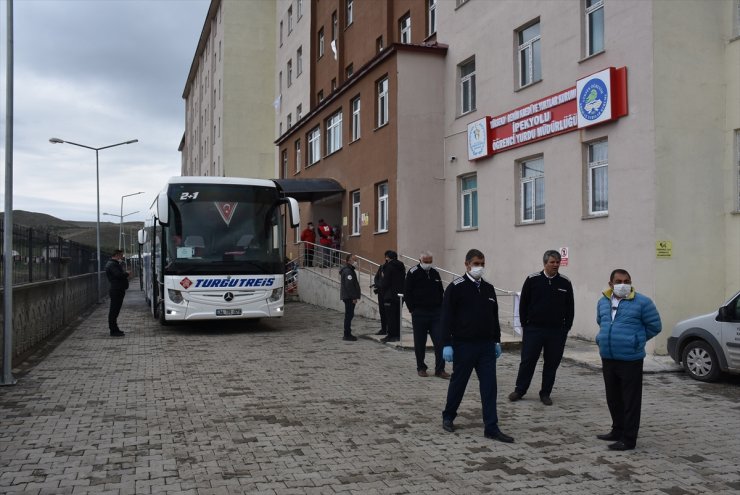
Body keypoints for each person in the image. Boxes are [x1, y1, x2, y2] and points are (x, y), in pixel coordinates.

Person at [440, 249, 513, 443]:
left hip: (486, 347)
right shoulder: (456, 288)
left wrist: (497, 340)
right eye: (476, 263)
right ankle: (448, 416)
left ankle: (491, 427)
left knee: (490, 387)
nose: (479, 267)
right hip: (464, 345)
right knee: (459, 383)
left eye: (482, 263)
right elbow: (446, 318)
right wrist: (447, 344)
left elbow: (494, 316)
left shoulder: (488, 288)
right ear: (466, 264)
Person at [595, 269, 662, 451]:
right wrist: (601, 339)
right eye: (618, 281)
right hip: (608, 356)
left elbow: (655, 326)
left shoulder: (642, 302)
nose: (623, 284)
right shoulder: (603, 302)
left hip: (630, 359)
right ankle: (617, 430)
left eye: (626, 281)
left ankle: (629, 438)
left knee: (630, 400)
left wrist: (636, 340)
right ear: (611, 284)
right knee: (613, 397)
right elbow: (601, 322)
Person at [509, 249, 574, 406]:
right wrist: (525, 324)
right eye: (552, 262)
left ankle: (545, 393)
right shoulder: (533, 280)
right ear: (545, 263)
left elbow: (570, 307)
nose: (555, 265)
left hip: (556, 332)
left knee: (552, 363)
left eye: (557, 262)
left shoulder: (565, 282)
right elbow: (523, 303)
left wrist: (566, 328)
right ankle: (520, 390)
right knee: (528, 360)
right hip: (534, 330)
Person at [404, 251, 448, 378]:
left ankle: (440, 369)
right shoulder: (413, 273)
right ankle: (421, 367)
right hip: (419, 313)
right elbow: (407, 292)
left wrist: (441, 307)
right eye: (426, 261)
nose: (428, 264)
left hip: (436, 313)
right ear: (420, 260)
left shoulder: (435, 273)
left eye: (430, 261)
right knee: (420, 342)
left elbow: (441, 291)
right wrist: (412, 308)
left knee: (440, 341)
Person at [379, 250, 405, 343]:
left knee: (390, 317)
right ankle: (397, 335)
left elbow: (386, 282)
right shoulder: (401, 266)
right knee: (398, 316)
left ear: (388, 257)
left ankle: (391, 335)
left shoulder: (388, 267)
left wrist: (382, 289)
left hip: (389, 295)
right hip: (400, 295)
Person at [105, 249, 130, 337]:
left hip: (118, 289)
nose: (122, 257)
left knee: (115, 310)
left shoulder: (113, 264)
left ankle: (115, 329)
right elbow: (118, 275)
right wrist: (126, 274)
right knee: (114, 311)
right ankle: (113, 330)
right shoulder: (112, 264)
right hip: (116, 290)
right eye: (121, 255)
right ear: (116, 255)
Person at [339, 253, 361, 341]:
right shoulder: (348, 271)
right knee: (349, 315)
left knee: (349, 315)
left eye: (356, 260)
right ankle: (347, 335)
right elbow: (349, 286)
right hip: (349, 297)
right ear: (348, 261)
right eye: (354, 260)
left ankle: (347, 333)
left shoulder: (350, 270)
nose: (356, 262)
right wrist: (354, 297)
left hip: (348, 296)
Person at [373, 264, 388, 335]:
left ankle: (389, 329)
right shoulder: (381, 267)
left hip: (388, 294)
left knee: (388, 312)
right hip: (381, 294)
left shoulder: (391, 269)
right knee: (382, 311)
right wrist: (379, 285)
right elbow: (376, 278)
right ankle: (383, 329)